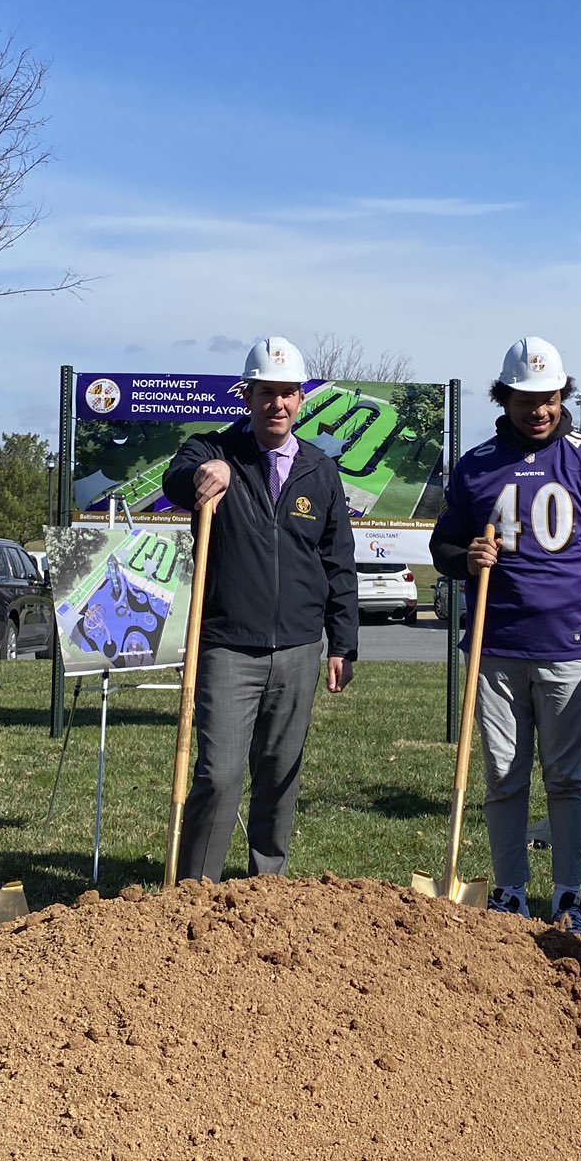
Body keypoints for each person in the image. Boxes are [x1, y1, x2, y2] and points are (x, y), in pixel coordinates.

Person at [430, 337, 581, 936]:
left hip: (573, 649)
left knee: (567, 777)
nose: (539, 410)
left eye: (549, 398)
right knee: (504, 776)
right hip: (495, 647)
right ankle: (509, 892)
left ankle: (569, 896)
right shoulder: (475, 464)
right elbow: (441, 546)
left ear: (563, 394)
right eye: (526, 399)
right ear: (504, 397)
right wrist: (464, 557)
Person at [160, 336, 358, 881]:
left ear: (301, 399)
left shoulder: (320, 469)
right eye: (266, 392)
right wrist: (205, 476)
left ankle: (265, 886)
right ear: (246, 395)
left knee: (279, 775)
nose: (278, 404)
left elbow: (338, 557)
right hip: (227, 646)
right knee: (220, 773)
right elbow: (174, 482)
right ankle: (196, 886)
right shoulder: (213, 449)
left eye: (288, 393)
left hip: (297, 647)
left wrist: (343, 640)